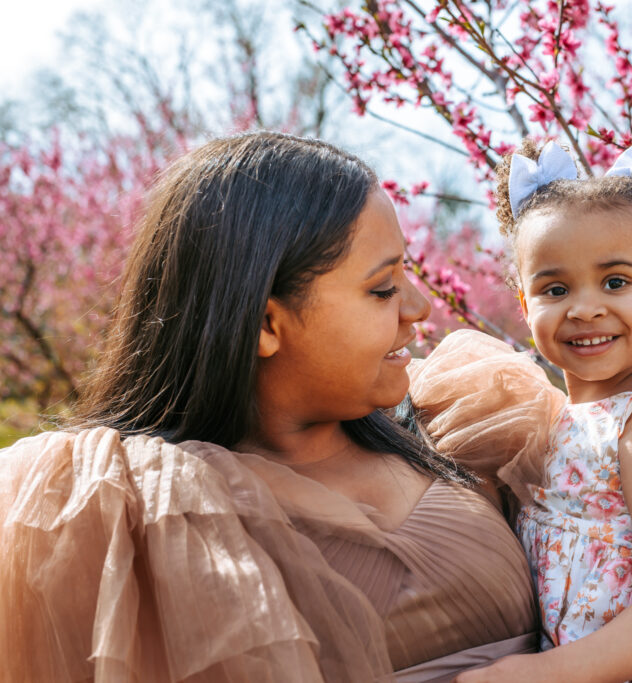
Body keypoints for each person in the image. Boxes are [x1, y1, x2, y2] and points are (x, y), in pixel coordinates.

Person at [0, 131, 563, 682]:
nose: (418, 307)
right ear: (267, 324)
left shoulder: (459, 420)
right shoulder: (142, 516)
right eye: (382, 288)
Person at [421, 137, 632, 682]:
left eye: (616, 282)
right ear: (524, 304)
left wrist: (545, 673)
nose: (585, 307)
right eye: (555, 288)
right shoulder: (558, 421)